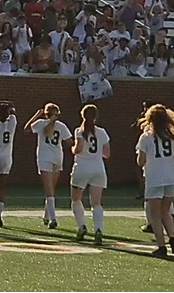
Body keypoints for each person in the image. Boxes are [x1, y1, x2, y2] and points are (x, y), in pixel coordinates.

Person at [136, 105, 174, 257]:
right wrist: (169, 162)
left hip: (155, 177)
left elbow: (141, 161)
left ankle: (161, 246)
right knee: (166, 211)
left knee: (155, 214)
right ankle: (172, 238)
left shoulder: (146, 137)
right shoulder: (172, 136)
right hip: (172, 177)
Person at [26, 103, 71, 230]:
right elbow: (70, 142)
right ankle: (47, 216)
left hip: (45, 158)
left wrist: (36, 115)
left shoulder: (40, 123)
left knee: (49, 190)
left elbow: (26, 129)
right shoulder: (61, 126)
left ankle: (53, 218)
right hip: (58, 157)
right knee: (51, 189)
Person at [70, 104, 110, 244]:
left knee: (76, 199)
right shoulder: (102, 132)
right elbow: (107, 153)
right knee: (96, 203)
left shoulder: (79, 131)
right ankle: (98, 230)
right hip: (98, 168)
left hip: (82, 168)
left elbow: (78, 148)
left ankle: (82, 227)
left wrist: (72, 149)